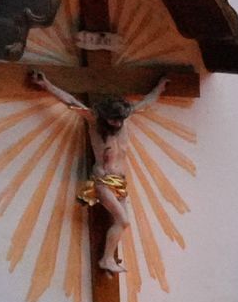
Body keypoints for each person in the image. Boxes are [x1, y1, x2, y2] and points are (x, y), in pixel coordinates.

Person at [31, 69, 170, 274]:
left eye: (120, 120)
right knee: (124, 220)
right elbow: (70, 101)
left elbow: (146, 103)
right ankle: (106, 259)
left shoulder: (124, 119)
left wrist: (160, 87)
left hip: (121, 184)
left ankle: (108, 258)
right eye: (114, 121)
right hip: (103, 181)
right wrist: (47, 85)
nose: (118, 124)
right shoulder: (93, 121)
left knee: (121, 224)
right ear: (105, 117)